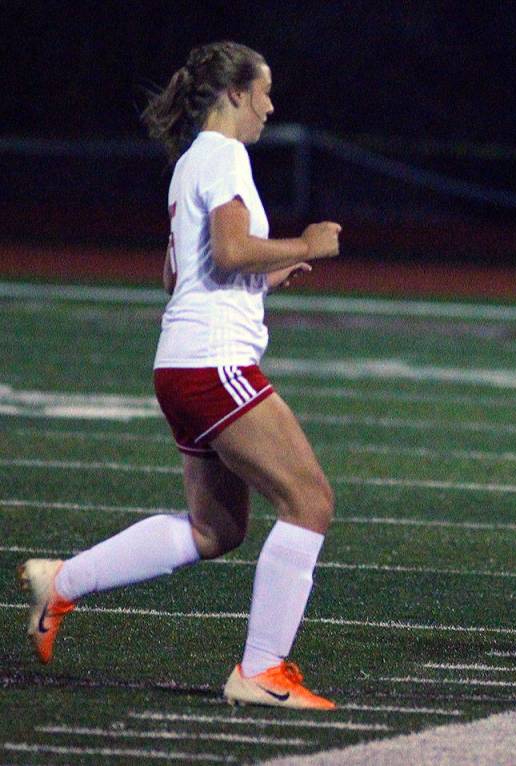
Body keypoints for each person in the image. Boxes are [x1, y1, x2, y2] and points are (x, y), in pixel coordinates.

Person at [17, 41, 343, 709]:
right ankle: (260, 671)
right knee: (310, 502)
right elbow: (228, 250)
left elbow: (182, 274)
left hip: (182, 363)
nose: (270, 107)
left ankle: (64, 581)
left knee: (215, 531)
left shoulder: (190, 160)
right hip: (213, 362)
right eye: (264, 92)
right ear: (234, 94)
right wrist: (305, 244)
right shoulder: (224, 155)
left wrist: (266, 275)